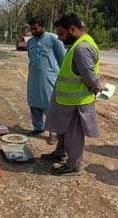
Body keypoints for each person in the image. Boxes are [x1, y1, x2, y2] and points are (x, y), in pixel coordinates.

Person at [43, 13, 107, 176]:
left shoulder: (81, 48)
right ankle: (60, 154)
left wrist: (99, 86)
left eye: (61, 34)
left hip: (77, 101)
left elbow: (89, 75)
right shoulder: (78, 45)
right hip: (67, 100)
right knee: (63, 131)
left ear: (72, 29)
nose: (59, 38)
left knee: (73, 135)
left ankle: (73, 165)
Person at [26, 16, 66, 144]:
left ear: (43, 27)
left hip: (50, 79)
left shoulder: (54, 39)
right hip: (34, 78)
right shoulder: (30, 42)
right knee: (34, 102)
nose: (33, 31)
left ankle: (53, 132)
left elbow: (62, 60)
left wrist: (61, 78)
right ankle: (38, 127)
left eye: (36, 29)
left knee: (50, 105)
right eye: (32, 29)